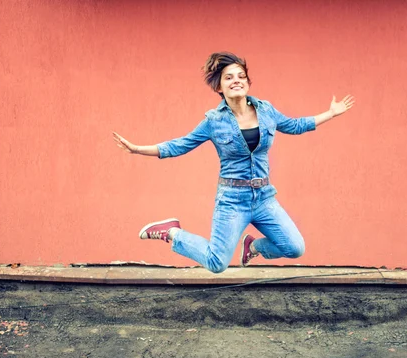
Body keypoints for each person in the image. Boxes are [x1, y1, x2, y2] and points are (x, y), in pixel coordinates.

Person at [112, 52, 354, 274]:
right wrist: (137, 149)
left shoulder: (266, 111)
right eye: (229, 77)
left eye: (241, 76)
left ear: (248, 83)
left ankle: (253, 246)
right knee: (217, 263)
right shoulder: (213, 121)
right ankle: (173, 233)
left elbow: (295, 125)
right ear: (219, 86)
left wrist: (330, 113)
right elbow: (179, 145)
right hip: (232, 200)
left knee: (294, 248)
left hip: (263, 197)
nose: (236, 80)